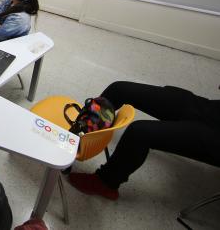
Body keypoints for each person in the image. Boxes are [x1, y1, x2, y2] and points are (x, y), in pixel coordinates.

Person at [69, 81, 220, 201]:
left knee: (140, 132)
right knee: (119, 89)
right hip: (213, 109)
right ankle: (75, 137)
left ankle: (106, 183)